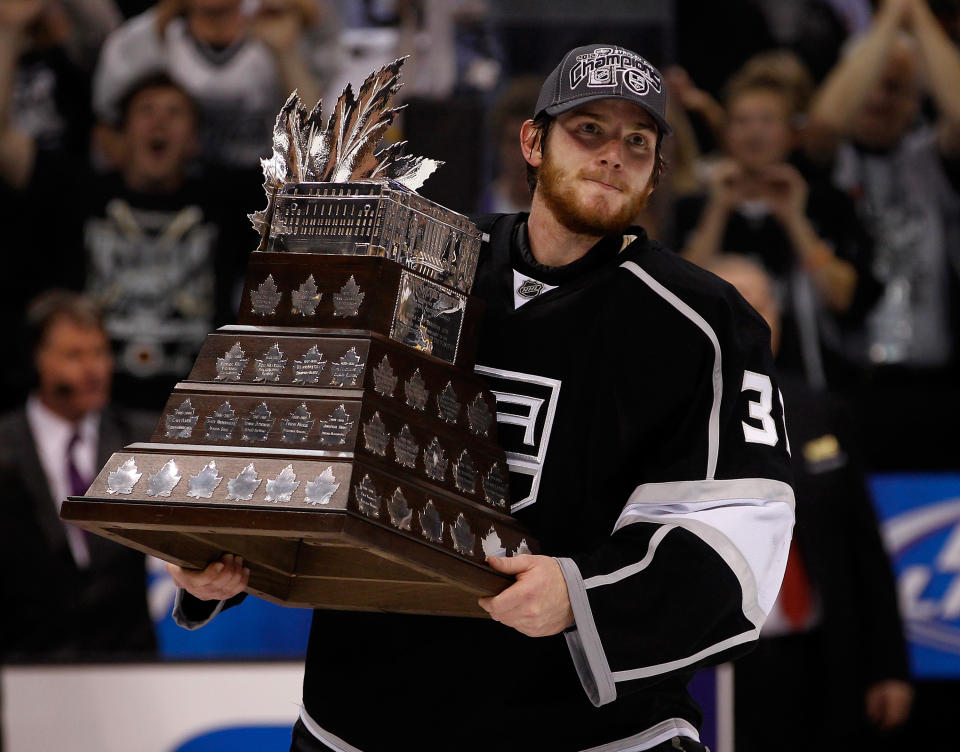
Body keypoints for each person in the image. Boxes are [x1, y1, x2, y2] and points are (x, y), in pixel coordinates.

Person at [169, 44, 795, 752]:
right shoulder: (417, 266)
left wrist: (583, 596)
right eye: (588, 130)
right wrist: (214, 558)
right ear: (533, 141)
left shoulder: (704, 324)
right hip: (367, 716)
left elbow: (743, 530)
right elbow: (302, 438)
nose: (613, 154)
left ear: (654, 174)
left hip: (587, 733)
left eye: (638, 142)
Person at [706, 254, 913, 752]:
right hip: (718, 666)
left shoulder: (821, 409)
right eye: (731, 307)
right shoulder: (672, 418)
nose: (748, 321)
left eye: (760, 306)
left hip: (823, 659)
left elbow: (863, 547)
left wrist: (888, 667)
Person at [0, 70, 259, 410]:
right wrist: (9, 31)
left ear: (195, 140)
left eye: (174, 112)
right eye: (146, 111)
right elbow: (6, 146)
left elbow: (317, 178)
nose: (159, 123)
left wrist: (285, 52)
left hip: (196, 409)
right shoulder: (79, 193)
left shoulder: (225, 201)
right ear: (120, 137)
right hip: (94, 410)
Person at [802, 0, 960, 468]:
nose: (876, 98)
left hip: (938, 386)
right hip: (852, 387)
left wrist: (917, 16)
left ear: (916, 98)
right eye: (868, 84)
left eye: (893, 88)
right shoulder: (831, 165)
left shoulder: (932, 158)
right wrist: (890, 19)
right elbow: (826, 121)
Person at [676, 54, 880, 390]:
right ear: (725, 132)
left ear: (793, 133)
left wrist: (795, 220)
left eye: (768, 120)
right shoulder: (695, 207)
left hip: (813, 384)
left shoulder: (828, 204)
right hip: (717, 387)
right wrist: (717, 210)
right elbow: (678, 299)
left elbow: (843, 297)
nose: (754, 133)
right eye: (742, 121)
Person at [0, 290, 157, 660]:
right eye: (74, 355)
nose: (93, 370)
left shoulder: (144, 442)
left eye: (100, 352)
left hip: (128, 663)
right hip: (25, 664)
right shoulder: (4, 448)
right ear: (37, 358)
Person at [92, 0, 340, 170]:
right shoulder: (147, 39)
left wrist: (285, 54)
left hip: (264, 194)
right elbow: (107, 135)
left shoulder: (281, 34)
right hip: (183, 197)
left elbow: (318, 144)